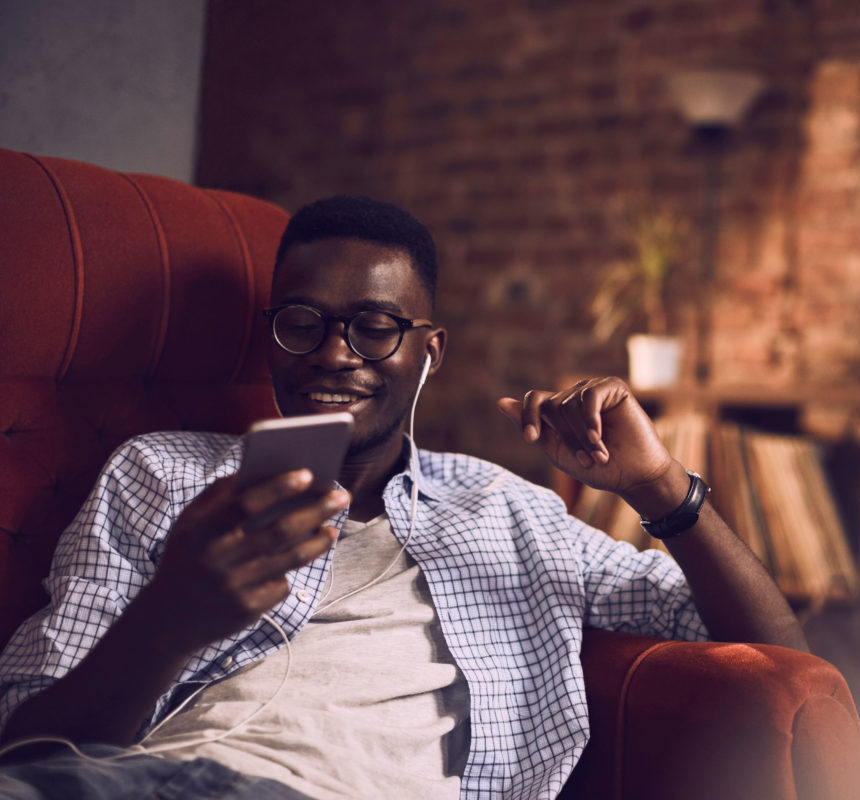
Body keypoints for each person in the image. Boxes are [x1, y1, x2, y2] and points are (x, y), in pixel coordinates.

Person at [0, 197, 804, 799]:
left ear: (430, 351)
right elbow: (28, 745)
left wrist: (659, 487)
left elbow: (780, 651)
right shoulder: (160, 475)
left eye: (376, 326)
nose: (333, 354)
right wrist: (168, 619)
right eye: (302, 322)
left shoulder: (504, 510)